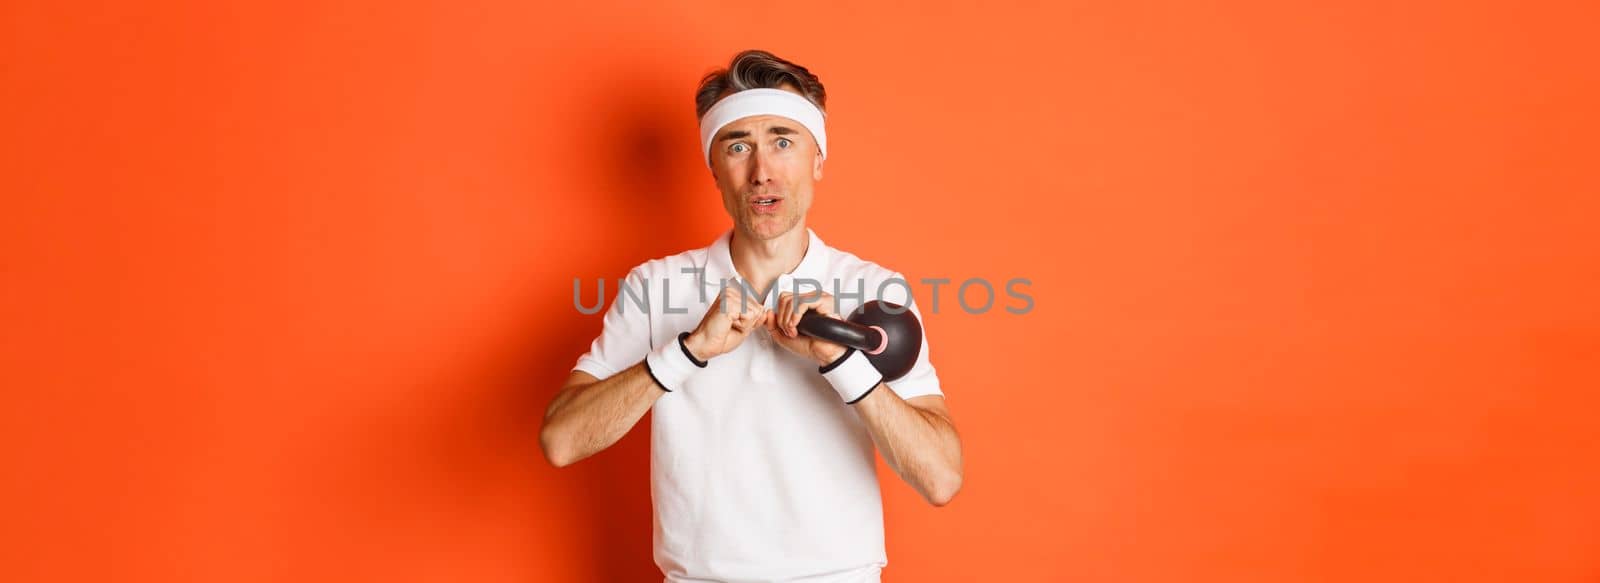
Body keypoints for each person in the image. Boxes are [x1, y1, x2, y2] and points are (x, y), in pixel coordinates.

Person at [540, 49, 964, 583]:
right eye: (738, 146)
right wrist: (688, 350)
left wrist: (842, 361)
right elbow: (561, 441)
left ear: (818, 160)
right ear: (713, 168)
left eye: (783, 142)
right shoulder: (656, 287)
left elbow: (942, 478)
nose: (762, 171)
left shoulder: (874, 290)